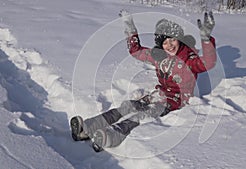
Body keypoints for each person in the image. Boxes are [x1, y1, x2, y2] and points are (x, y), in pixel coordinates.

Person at [70, 10, 217, 152]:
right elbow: (136, 51)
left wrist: (206, 39)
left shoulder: (188, 59)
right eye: (165, 42)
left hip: (176, 101)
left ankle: (111, 136)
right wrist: (131, 30)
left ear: (179, 39)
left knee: (141, 115)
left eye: (172, 39)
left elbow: (209, 63)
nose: (170, 45)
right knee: (127, 107)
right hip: (158, 95)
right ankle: (86, 129)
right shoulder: (159, 56)